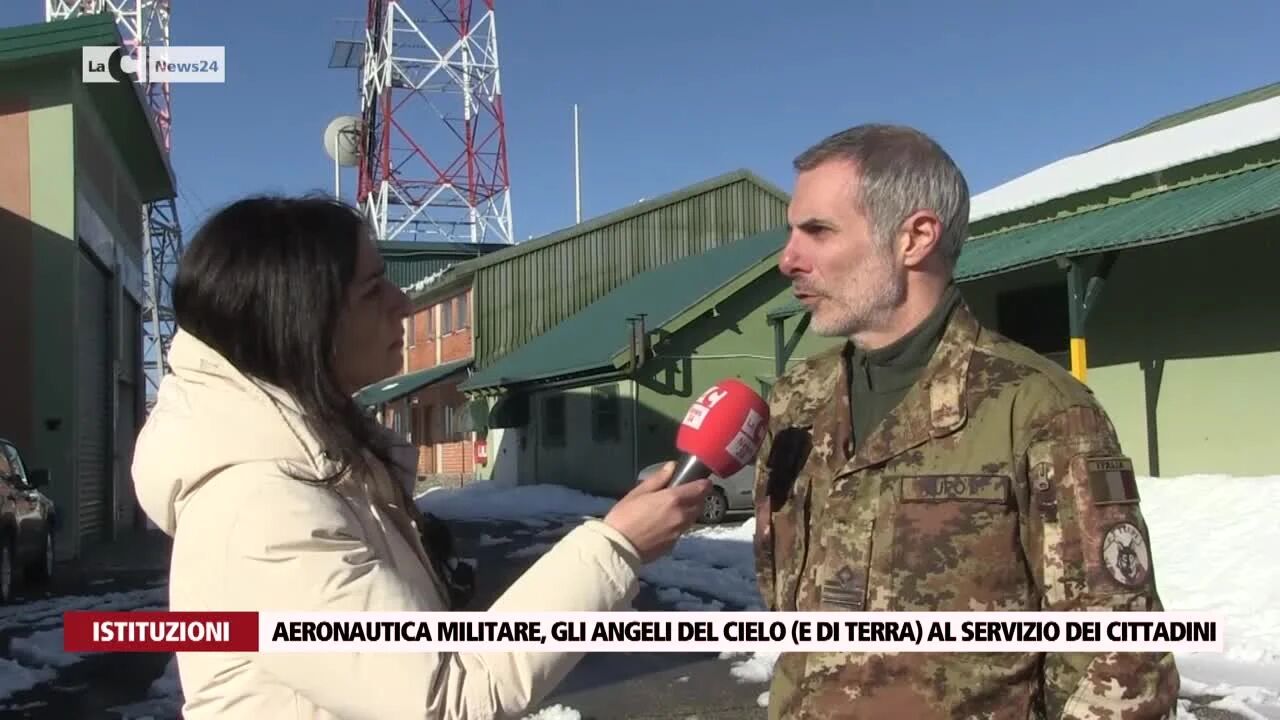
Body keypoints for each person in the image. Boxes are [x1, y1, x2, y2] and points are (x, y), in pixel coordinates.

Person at [131, 195, 712, 720]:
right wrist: (615, 548)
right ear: (304, 321)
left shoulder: (319, 467)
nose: (403, 304)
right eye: (373, 288)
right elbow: (445, 696)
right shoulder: (260, 510)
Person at [752, 125, 1179, 719]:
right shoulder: (798, 402)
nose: (788, 260)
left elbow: (1120, 668)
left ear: (916, 237)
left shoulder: (1039, 410)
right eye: (791, 232)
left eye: (817, 230)